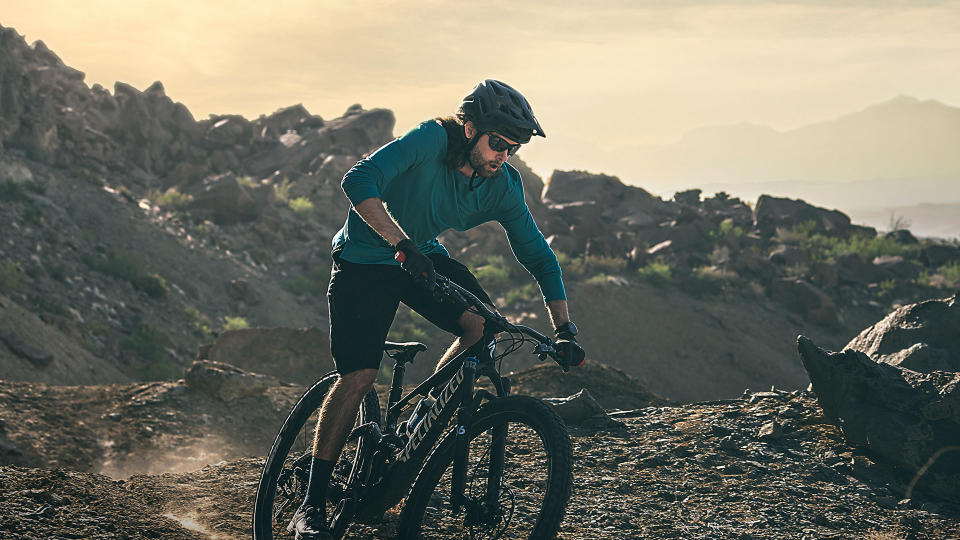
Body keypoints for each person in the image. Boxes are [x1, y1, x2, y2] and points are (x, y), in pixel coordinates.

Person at [288, 79, 585, 539]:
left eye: (513, 148)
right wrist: (399, 242)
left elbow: (538, 256)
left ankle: (420, 419)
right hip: (365, 260)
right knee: (361, 375)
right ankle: (310, 505)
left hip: (420, 258)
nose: (503, 155)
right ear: (469, 128)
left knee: (484, 325)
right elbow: (359, 179)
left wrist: (564, 328)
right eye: (498, 143)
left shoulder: (502, 185)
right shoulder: (430, 139)